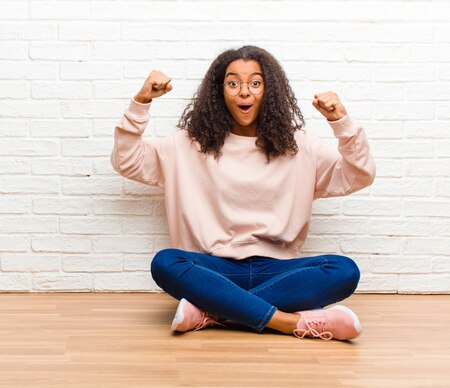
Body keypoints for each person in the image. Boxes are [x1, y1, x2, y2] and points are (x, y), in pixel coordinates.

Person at [110, 45, 375, 341]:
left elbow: (359, 175)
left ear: (269, 91)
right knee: (166, 263)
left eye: (255, 83)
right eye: (233, 83)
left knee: (343, 270)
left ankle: (214, 312)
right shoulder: (186, 145)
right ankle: (289, 323)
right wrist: (141, 101)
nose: (244, 92)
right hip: (213, 268)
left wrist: (342, 122)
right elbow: (127, 161)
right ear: (219, 91)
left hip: (278, 269)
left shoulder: (301, 147)